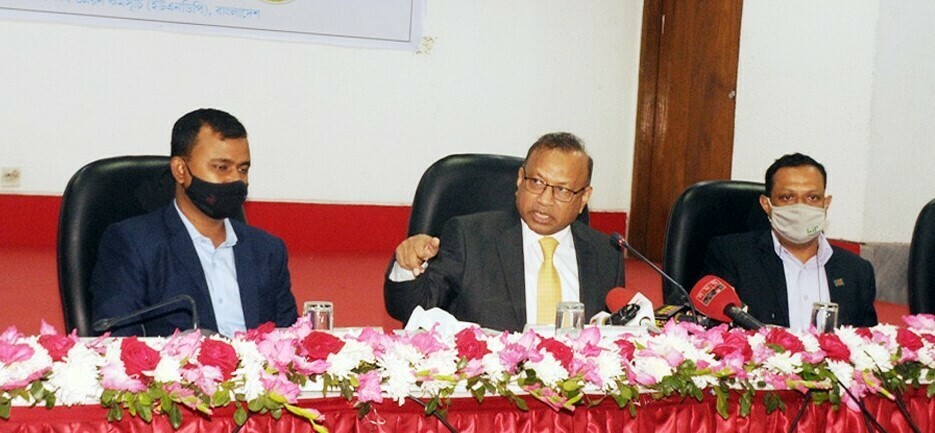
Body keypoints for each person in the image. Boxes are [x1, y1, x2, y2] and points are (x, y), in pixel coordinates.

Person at [384, 132, 625, 332]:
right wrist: (406, 266)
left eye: (562, 190)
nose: (545, 199)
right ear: (520, 180)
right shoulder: (469, 238)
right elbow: (412, 310)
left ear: (583, 197)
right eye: (536, 182)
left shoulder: (606, 255)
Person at [91, 108, 298, 336]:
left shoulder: (268, 251)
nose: (236, 179)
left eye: (243, 169)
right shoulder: (135, 244)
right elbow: (119, 340)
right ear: (180, 170)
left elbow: (290, 341)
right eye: (221, 168)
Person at [702, 153, 877, 329]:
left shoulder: (857, 271)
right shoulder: (732, 256)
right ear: (766, 205)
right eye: (787, 197)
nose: (800, 207)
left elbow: (868, 342)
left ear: (826, 204)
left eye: (812, 197)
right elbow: (714, 332)